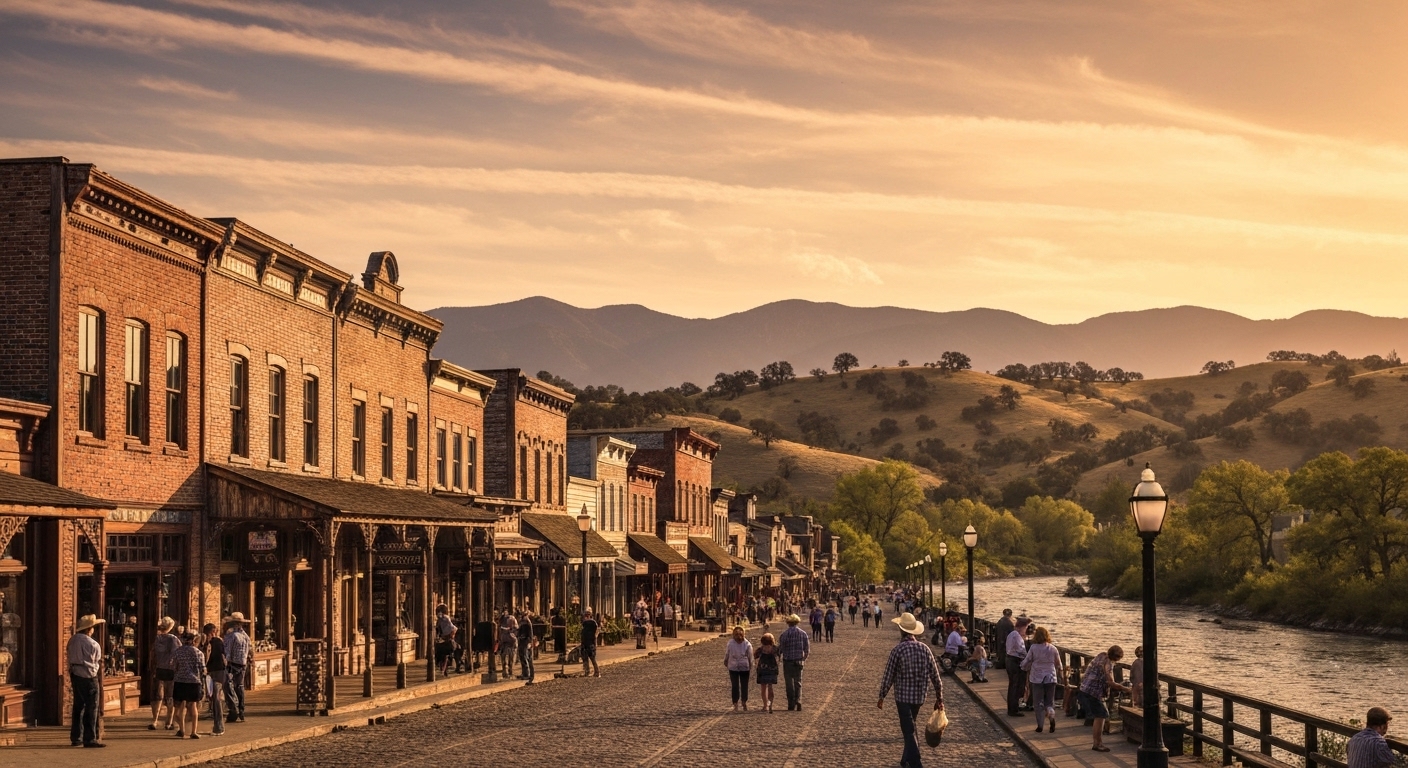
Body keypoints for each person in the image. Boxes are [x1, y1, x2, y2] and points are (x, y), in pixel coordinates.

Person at [877, 612, 945, 768]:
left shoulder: (898, 650)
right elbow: (935, 676)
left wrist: (882, 696)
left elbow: (889, 675)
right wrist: (939, 697)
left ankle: (916, 762)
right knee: (911, 726)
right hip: (919, 697)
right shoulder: (925, 649)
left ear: (901, 630)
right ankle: (905, 760)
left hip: (902, 698)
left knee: (908, 730)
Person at [1078, 645, 1128, 752]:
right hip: (1094, 692)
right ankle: (1097, 743)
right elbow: (1110, 682)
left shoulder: (1101, 655)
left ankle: (1097, 742)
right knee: (1101, 715)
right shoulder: (1108, 664)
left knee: (1100, 714)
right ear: (1117, 658)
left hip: (1085, 688)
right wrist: (1126, 689)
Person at [67, 614, 106, 748]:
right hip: (89, 676)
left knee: (78, 706)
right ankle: (90, 738)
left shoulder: (72, 640)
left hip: (76, 674)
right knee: (92, 707)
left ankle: (76, 736)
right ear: (90, 629)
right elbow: (96, 662)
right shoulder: (92, 644)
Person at [1022, 626, 1064, 733]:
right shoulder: (1053, 648)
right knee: (1049, 702)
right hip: (1051, 677)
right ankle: (1051, 716)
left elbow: (1027, 660)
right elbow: (1059, 664)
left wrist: (1022, 666)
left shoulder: (1034, 648)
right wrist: (1061, 676)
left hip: (1037, 678)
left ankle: (1040, 725)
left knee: (1038, 702)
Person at [170, 630, 206, 739]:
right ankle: (193, 731)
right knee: (193, 706)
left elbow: (173, 665)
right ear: (195, 641)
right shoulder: (198, 653)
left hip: (180, 681)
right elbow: (203, 669)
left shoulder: (178, 651)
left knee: (181, 706)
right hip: (194, 681)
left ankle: (181, 729)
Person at [148, 616, 180, 731]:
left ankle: (155, 720)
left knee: (158, 696)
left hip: (159, 668)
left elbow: (153, 654)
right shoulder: (173, 639)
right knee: (169, 696)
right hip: (170, 669)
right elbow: (177, 654)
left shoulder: (157, 638)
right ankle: (168, 722)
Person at [222, 613, 250, 723]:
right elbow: (249, 650)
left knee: (227, 686)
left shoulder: (232, 636)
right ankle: (241, 710)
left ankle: (233, 710)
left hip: (232, 664)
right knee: (239, 686)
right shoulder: (245, 636)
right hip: (242, 663)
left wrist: (226, 662)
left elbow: (228, 651)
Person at [779, 614, 810, 711]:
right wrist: (803, 659)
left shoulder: (784, 634)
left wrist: (779, 656)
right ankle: (798, 700)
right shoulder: (803, 634)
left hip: (788, 661)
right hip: (799, 660)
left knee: (789, 684)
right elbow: (807, 649)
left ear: (788, 623)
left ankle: (791, 704)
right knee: (798, 682)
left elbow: (781, 648)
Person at [202, 623, 226, 737]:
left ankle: (219, 727)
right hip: (214, 672)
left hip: (216, 672)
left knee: (216, 698)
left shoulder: (214, 642)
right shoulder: (214, 642)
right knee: (213, 698)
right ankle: (217, 725)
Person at [724, 625, 754, 712]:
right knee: (744, 685)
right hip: (744, 667)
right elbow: (750, 656)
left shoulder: (730, 643)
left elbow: (727, 654)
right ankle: (744, 701)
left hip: (733, 666)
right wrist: (751, 666)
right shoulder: (747, 644)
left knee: (735, 685)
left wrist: (726, 662)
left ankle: (735, 703)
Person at [1005, 616, 1031, 716]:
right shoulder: (1016, 636)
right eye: (1026, 627)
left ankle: (1013, 706)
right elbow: (1021, 651)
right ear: (1022, 627)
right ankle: (1013, 709)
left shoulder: (1013, 634)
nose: (1026, 630)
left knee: (1013, 685)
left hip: (1011, 659)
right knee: (1015, 686)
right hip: (1014, 661)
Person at [754, 632, 780, 713]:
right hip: (772, 669)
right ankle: (770, 704)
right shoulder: (775, 649)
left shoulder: (760, 649)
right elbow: (779, 655)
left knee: (763, 688)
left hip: (762, 669)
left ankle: (765, 705)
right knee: (770, 687)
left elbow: (755, 656)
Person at [435, 604, 458, 677]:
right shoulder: (443, 619)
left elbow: (452, 629)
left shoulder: (445, 618)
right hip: (445, 638)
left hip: (447, 637)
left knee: (445, 654)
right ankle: (444, 669)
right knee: (445, 654)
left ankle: (444, 669)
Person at [516, 610, 536, 683]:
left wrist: (529, 642)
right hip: (521, 641)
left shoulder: (527, 623)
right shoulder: (522, 623)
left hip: (525, 642)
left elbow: (530, 634)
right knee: (522, 657)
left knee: (525, 658)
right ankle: (524, 673)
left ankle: (527, 674)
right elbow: (519, 632)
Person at [580, 608, 600, 678]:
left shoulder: (592, 623)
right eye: (586, 614)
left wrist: (594, 641)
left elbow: (596, 633)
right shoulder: (585, 623)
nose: (586, 616)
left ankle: (596, 672)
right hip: (585, 642)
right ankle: (587, 671)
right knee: (585, 658)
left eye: (588, 614)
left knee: (592, 658)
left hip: (590, 642)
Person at [497, 609, 518, 675]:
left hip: (506, 640)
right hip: (509, 640)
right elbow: (516, 628)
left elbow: (515, 628)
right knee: (509, 656)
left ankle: (506, 670)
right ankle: (508, 670)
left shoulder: (505, 619)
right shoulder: (510, 619)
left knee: (505, 656)